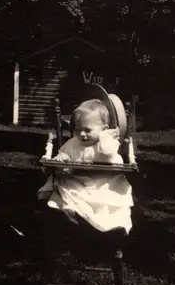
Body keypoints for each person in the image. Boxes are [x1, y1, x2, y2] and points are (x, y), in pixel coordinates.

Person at [37, 99, 134, 234]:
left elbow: (108, 153)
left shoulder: (107, 144)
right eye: (78, 130)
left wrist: (105, 137)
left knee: (109, 206)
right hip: (78, 182)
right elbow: (63, 157)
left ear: (104, 129)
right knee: (68, 193)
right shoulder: (73, 143)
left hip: (104, 184)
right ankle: (71, 215)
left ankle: (113, 227)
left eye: (87, 130)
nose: (82, 134)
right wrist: (62, 157)